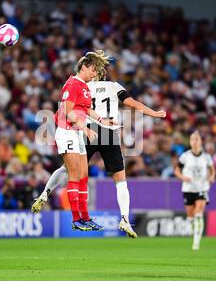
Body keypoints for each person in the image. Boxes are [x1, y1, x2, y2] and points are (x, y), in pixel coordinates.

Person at [32, 54, 166, 238]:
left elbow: (76, 109)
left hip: (87, 128)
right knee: (120, 179)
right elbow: (132, 103)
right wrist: (154, 113)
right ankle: (124, 219)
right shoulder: (113, 86)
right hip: (106, 131)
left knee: (70, 170)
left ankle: (46, 193)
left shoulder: (86, 85)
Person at [53, 51, 115, 231]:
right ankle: (75, 220)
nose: (95, 74)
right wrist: (85, 128)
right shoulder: (72, 84)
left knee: (83, 176)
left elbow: (87, 110)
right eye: (93, 70)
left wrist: (102, 120)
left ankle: (85, 217)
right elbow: (68, 111)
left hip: (77, 133)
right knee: (74, 175)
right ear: (84, 67)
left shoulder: (85, 87)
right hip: (67, 132)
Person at [174, 131, 216, 250]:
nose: (195, 141)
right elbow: (177, 171)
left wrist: (212, 176)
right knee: (191, 216)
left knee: (198, 214)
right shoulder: (185, 156)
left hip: (202, 187)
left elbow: (212, 169)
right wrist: (183, 177)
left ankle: (196, 242)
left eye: (197, 139)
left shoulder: (206, 157)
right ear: (190, 142)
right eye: (193, 139)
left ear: (201, 141)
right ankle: (195, 234)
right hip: (188, 188)